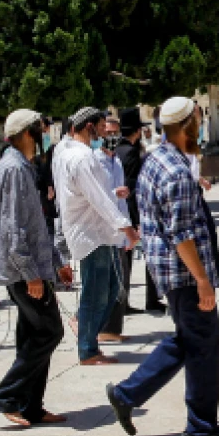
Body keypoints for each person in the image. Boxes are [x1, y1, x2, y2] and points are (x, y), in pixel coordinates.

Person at [106, 97, 219, 436]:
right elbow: (181, 234)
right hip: (183, 275)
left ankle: (128, 394)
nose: (200, 127)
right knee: (204, 343)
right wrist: (202, 281)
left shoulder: (157, 159)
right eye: (197, 121)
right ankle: (199, 425)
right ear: (187, 126)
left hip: (166, 270)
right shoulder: (177, 172)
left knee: (190, 340)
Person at [0, 109, 73, 427]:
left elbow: (35, 224)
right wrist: (31, 273)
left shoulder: (24, 167)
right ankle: (7, 396)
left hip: (34, 267)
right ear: (27, 134)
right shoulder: (13, 169)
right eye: (41, 129)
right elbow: (13, 229)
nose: (46, 134)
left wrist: (56, 263)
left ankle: (31, 405)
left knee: (33, 336)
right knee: (50, 331)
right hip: (24, 271)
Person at [54, 106, 139, 365]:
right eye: (101, 126)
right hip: (93, 234)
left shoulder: (66, 152)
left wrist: (114, 197)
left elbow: (86, 193)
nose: (105, 131)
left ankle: (85, 329)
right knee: (97, 292)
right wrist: (125, 226)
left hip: (96, 230)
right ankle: (88, 348)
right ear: (89, 125)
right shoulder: (81, 157)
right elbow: (96, 197)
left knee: (112, 287)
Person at [115, 107, 166, 315]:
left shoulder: (117, 150)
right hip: (133, 211)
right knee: (150, 255)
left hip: (119, 211)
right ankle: (152, 300)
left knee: (124, 260)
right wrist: (136, 220)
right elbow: (133, 188)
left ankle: (123, 302)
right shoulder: (132, 153)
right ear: (136, 131)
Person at [98, 114, 136, 341]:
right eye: (107, 132)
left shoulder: (117, 161)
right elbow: (95, 197)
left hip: (121, 229)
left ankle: (112, 329)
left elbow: (123, 202)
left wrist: (130, 226)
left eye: (115, 133)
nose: (112, 137)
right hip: (105, 231)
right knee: (111, 282)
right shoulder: (94, 161)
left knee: (122, 280)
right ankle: (104, 330)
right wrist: (114, 194)